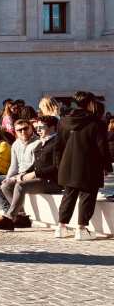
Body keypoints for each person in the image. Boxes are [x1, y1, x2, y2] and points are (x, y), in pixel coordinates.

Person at [55, 91, 111, 241]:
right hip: (89, 165)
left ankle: (61, 227)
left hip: (67, 164)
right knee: (87, 195)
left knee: (68, 195)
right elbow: (102, 147)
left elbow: (58, 146)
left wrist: (59, 165)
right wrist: (107, 166)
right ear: (90, 103)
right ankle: (81, 229)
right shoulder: (96, 123)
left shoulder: (63, 121)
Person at [0, 115, 61, 231]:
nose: (38, 130)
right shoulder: (43, 142)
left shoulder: (57, 142)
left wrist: (33, 174)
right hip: (36, 177)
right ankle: (21, 217)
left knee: (20, 186)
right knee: (6, 185)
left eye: (41, 127)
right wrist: (18, 176)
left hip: (52, 181)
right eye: (37, 127)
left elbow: (57, 167)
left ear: (52, 127)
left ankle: (10, 218)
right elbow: (34, 164)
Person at [0, 119, 38, 221]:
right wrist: (8, 177)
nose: (23, 132)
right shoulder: (16, 144)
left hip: (29, 175)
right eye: (19, 130)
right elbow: (14, 166)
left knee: (6, 186)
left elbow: (35, 167)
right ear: (15, 131)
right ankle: (8, 211)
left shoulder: (38, 143)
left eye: (25, 128)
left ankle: (20, 215)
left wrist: (14, 178)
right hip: (17, 174)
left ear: (31, 128)